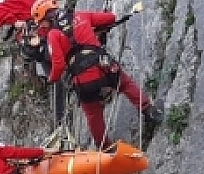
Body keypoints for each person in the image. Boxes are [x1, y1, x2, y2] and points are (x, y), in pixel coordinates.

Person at [34, 0, 163, 147]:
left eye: (41, 23)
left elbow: (58, 65)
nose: (41, 27)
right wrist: (92, 30)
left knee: (93, 114)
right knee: (125, 84)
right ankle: (149, 110)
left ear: (47, 18)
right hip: (103, 67)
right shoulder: (80, 16)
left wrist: (52, 78)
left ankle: (105, 147)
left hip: (83, 81)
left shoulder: (53, 35)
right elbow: (111, 18)